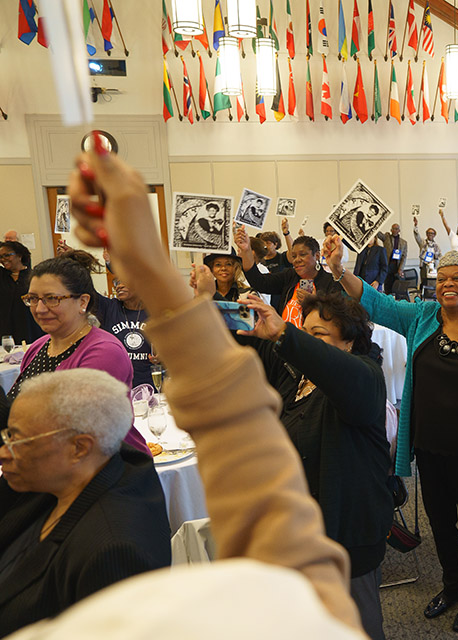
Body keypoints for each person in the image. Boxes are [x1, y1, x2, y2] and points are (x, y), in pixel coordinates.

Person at [40, 141, 365, 639]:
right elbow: (262, 478)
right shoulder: (321, 617)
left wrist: (163, 278)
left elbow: (250, 437)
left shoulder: (360, 378)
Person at [326, 237, 458, 633]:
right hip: (430, 446)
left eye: (457, 278)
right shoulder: (422, 318)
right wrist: (340, 269)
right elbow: (377, 303)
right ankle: (452, 584)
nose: (448, 285)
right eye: (442, 278)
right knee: (440, 523)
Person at [222, 288, 393, 640]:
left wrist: (288, 334)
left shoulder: (366, 378)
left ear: (349, 343)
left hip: (348, 536)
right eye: (305, 330)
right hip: (302, 534)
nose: (307, 341)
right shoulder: (297, 379)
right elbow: (246, 355)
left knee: (356, 626)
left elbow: (339, 374)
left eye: (318, 335)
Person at [0, 369, 171, 636]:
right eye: (6, 436)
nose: (4, 453)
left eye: (17, 439)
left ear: (79, 448)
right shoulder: (55, 480)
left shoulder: (111, 550)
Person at [8, 253, 148, 455]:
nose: (39, 308)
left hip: (98, 472)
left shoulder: (103, 351)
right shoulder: (38, 347)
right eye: (32, 299)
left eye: (51, 299)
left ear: (83, 302)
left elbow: (72, 429)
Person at [236, 227, 337, 329]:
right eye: (293, 256)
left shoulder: (330, 282)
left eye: (302, 254)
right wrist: (246, 250)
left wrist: (313, 303)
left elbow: (335, 321)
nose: (297, 260)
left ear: (317, 256)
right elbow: (260, 282)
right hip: (286, 339)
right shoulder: (289, 276)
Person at [0, 240, 42, 344]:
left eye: (7, 255)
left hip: (30, 328)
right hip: (6, 330)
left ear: (19, 255)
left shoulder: (34, 276)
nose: (3, 259)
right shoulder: (2, 276)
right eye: (0, 257)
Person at [376, 223, 408, 296]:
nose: (395, 230)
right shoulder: (386, 238)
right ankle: (388, 298)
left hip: (397, 266)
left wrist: (401, 269)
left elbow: (404, 256)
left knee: (396, 286)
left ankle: (395, 301)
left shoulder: (404, 242)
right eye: (393, 228)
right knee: (387, 285)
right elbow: (378, 233)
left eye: (396, 229)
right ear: (391, 230)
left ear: (399, 230)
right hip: (387, 265)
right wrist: (375, 224)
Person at [413, 215, 441, 287]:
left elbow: (440, 256)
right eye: (429, 233)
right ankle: (423, 296)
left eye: (432, 233)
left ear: (434, 235)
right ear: (426, 234)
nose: (430, 235)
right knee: (424, 282)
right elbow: (417, 236)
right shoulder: (422, 242)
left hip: (433, 266)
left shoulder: (436, 246)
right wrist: (415, 226)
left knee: (433, 283)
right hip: (424, 265)